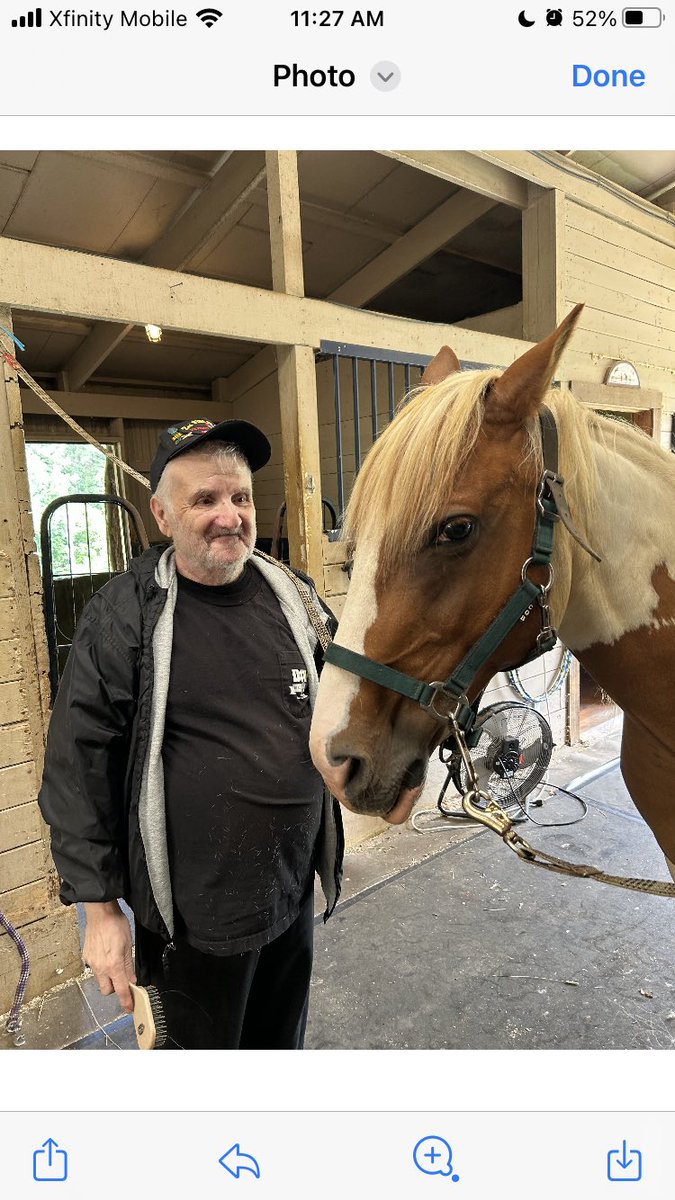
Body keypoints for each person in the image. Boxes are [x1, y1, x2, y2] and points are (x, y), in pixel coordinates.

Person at [38, 417, 343, 1049]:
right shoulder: (124, 615)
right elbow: (76, 767)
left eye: (241, 497)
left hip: (290, 896)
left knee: (278, 1053)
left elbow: (343, 700)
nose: (230, 516)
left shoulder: (293, 594)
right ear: (162, 515)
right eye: (205, 499)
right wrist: (100, 910)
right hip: (192, 923)